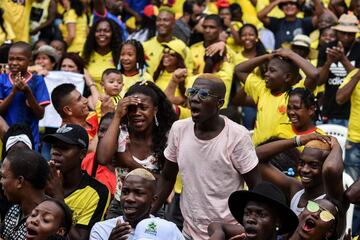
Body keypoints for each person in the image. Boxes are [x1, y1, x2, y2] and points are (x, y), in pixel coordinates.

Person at [153, 74, 261, 239]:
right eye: (193, 92)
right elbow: (168, 177)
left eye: (203, 94)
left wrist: (248, 230)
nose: (195, 98)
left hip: (227, 232)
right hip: (188, 229)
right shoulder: (179, 129)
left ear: (219, 104)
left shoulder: (237, 136)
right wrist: (148, 213)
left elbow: (256, 186)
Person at [96, 81, 177, 219]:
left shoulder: (167, 137)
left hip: (153, 207)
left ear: (155, 110)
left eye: (143, 108)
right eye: (131, 108)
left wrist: (129, 162)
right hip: (120, 207)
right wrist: (117, 115)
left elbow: (165, 181)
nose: (137, 113)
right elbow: (102, 158)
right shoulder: (121, 132)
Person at [235, 48, 319, 146]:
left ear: (287, 77)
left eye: (272, 71)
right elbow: (239, 70)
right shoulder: (262, 89)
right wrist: (266, 57)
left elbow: (314, 74)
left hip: (284, 154)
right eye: (266, 70)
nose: (266, 74)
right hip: (258, 152)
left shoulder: (296, 93)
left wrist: (290, 54)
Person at [43, 124, 111, 240]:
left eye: (64, 148)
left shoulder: (98, 192)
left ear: (82, 154)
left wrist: (58, 197)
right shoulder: (41, 182)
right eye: (54, 146)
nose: (55, 152)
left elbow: (80, 238)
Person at [90, 168, 184, 240]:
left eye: (138, 193)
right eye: (125, 192)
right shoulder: (102, 229)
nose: (129, 199)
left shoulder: (168, 229)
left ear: (153, 200)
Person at [0, 42, 50, 151]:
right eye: (11, 59)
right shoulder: (2, 79)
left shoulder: (37, 81)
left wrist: (28, 92)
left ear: (30, 61)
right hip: (6, 138)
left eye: (20, 59)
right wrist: (13, 92)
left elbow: (40, 114)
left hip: (31, 138)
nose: (14, 63)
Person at [208, 182, 299, 239]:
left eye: (261, 214)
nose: (250, 219)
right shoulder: (245, 232)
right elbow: (216, 226)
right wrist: (218, 234)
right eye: (247, 213)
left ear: (277, 222)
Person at [317, 13, 360, 126]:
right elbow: (319, 81)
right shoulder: (326, 48)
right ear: (337, 32)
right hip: (330, 109)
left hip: (353, 111)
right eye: (343, 33)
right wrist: (328, 63)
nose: (346, 37)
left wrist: (343, 59)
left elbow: (358, 77)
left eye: (350, 34)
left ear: (355, 33)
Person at [0, 149, 49, 240]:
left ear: (20, 181)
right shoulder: (16, 208)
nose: (1, 182)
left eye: (3, 177)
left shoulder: (46, 221)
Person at [337, 68, 360, 233]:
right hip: (355, 142)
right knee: (353, 194)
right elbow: (340, 98)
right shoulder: (354, 74)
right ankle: (353, 233)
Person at [143, 7, 192, 77]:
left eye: (165, 20)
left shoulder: (181, 47)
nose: (161, 23)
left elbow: (188, 73)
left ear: (174, 23)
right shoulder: (145, 46)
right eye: (159, 20)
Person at [51, 83, 99, 151]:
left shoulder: (93, 116)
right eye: (79, 99)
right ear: (68, 110)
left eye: (82, 96)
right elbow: (95, 150)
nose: (86, 100)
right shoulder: (66, 137)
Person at [257, 0, 324, 48]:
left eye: (292, 4)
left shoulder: (304, 23)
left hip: (300, 60)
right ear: (281, 9)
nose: (289, 6)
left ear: (298, 9)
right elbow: (260, 15)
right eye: (285, 4)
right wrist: (278, 1)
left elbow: (321, 15)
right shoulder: (277, 23)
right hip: (279, 60)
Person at [82, 18, 123, 92]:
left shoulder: (121, 56)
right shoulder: (85, 55)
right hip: (90, 100)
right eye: (98, 31)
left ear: (113, 34)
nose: (101, 34)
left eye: (106, 31)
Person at [81, 112, 117, 195]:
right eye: (101, 130)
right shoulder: (88, 160)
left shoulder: (128, 165)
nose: (104, 135)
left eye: (110, 132)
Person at [154, 41, 188, 106]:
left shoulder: (186, 79)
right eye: (165, 51)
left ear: (179, 59)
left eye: (172, 53)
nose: (166, 55)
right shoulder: (157, 75)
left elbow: (168, 102)